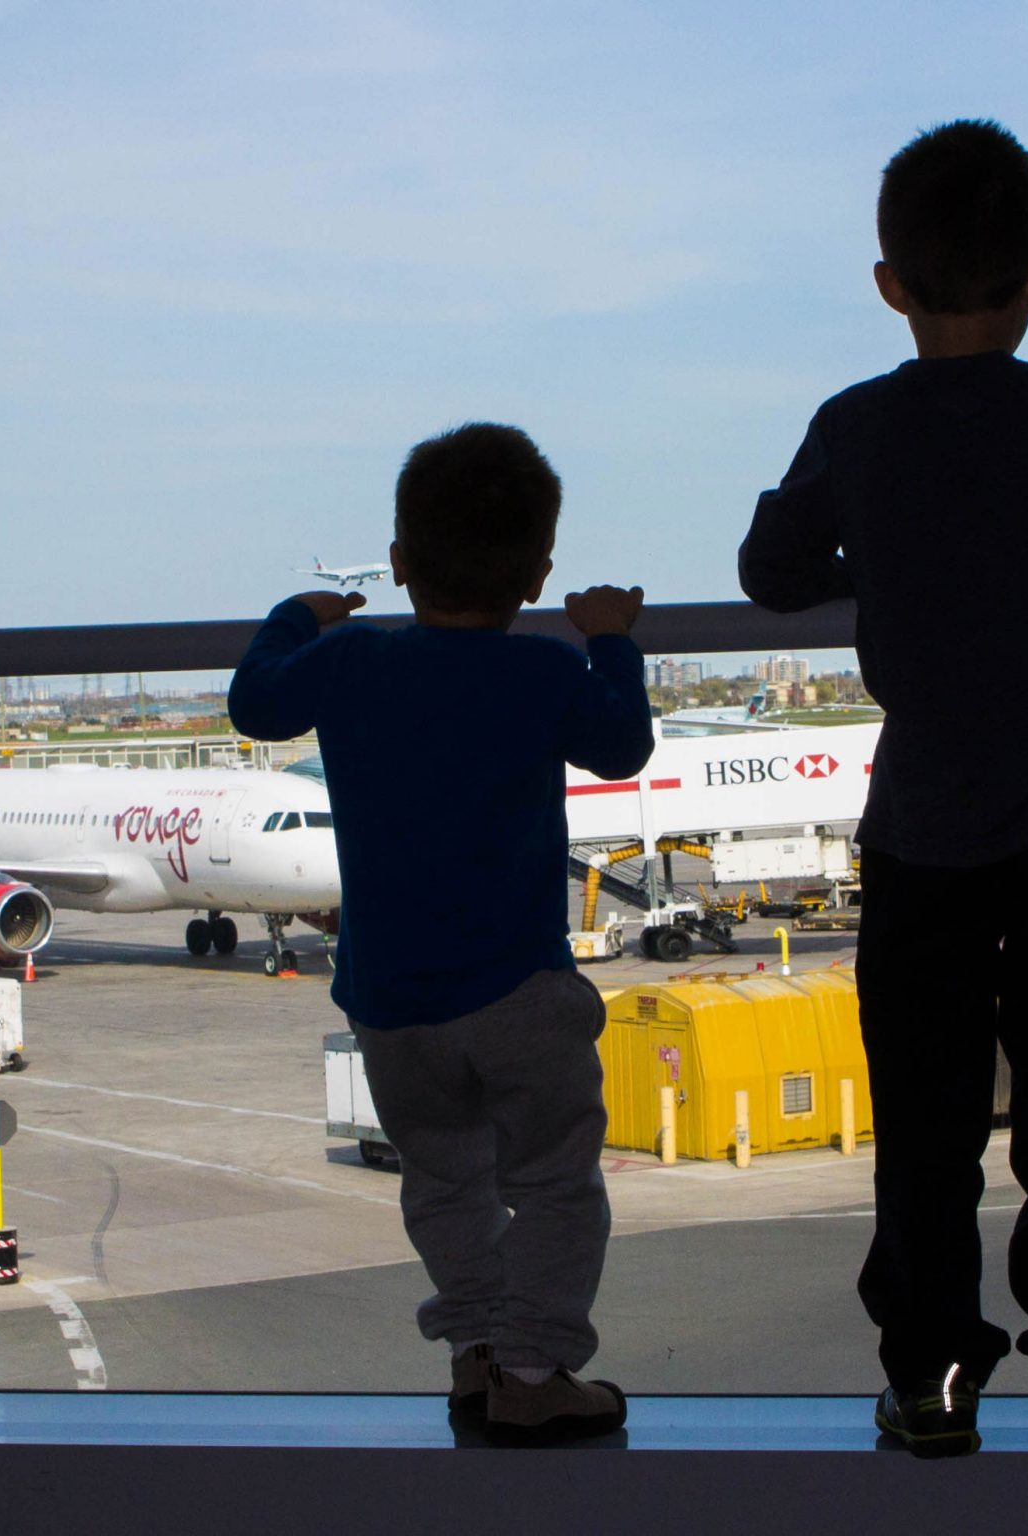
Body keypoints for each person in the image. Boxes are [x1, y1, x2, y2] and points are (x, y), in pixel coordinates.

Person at [739, 120, 1028, 1457]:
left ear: (890, 282)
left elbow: (773, 570)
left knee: (928, 1134)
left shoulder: (858, 427)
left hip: (927, 833)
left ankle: (933, 1377)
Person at [229, 422, 652, 1446]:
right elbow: (622, 745)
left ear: (404, 562)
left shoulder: (351, 659)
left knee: (445, 1175)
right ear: (539, 572)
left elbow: (255, 703)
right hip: (517, 988)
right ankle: (534, 1367)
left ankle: (474, 1350)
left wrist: (301, 612)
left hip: (393, 1001)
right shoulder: (545, 674)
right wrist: (609, 636)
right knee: (553, 1179)